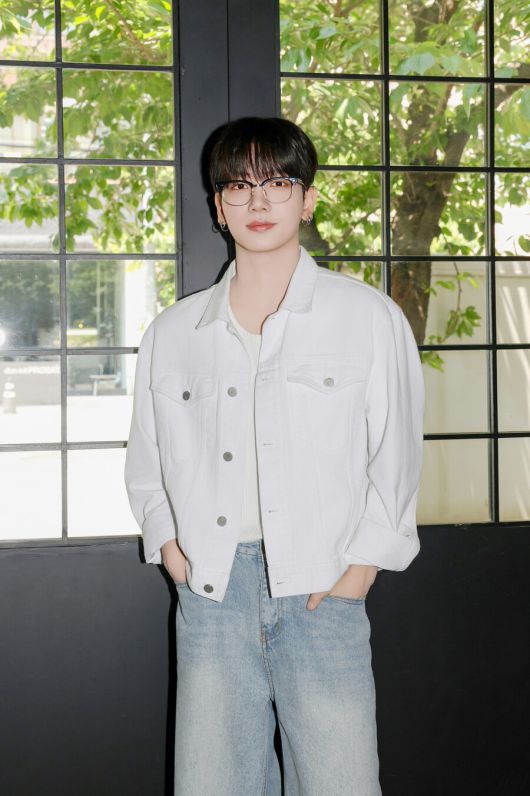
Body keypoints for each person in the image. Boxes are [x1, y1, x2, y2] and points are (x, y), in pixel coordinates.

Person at [124, 116, 424, 795]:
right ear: (218, 206)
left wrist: (358, 572)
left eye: (278, 183)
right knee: (213, 784)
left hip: (323, 590)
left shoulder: (367, 318)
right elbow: (148, 461)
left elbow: (397, 457)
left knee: (340, 783)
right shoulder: (174, 333)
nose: (258, 201)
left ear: (307, 199)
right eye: (239, 185)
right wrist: (171, 549)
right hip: (212, 592)